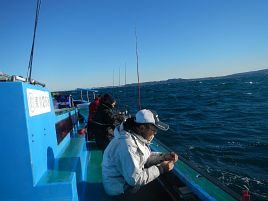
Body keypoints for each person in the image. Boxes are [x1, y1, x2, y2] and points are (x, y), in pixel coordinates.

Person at [102, 109, 178, 198]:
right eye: (153, 129)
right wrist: (161, 169)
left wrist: (163, 157)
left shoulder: (136, 135)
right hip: (120, 190)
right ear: (142, 127)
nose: (155, 133)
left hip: (124, 180)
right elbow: (134, 180)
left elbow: (143, 156)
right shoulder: (127, 145)